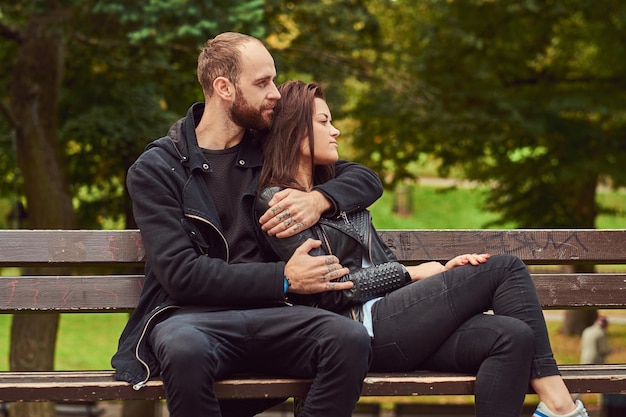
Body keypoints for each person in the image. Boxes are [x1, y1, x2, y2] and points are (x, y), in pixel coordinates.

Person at [253, 80, 589, 417]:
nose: (336, 131)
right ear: (296, 130)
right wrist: (412, 272)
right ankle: (560, 406)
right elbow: (327, 291)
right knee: (505, 269)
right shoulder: (276, 201)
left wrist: (436, 280)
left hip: (397, 321)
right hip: (359, 332)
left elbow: (370, 181)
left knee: (513, 335)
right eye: (324, 122)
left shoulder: (334, 187)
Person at [111, 33, 384, 417]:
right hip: (191, 318)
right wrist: (285, 279)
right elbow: (181, 274)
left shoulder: (269, 146)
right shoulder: (158, 169)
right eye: (262, 83)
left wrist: (318, 198)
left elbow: (365, 179)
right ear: (224, 88)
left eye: (273, 79)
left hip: (276, 316)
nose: (275, 93)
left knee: (349, 339)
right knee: (182, 348)